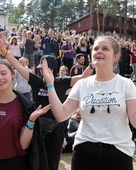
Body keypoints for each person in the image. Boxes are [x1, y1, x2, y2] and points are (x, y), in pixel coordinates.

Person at [0, 34, 94, 170]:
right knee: (36, 161)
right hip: (38, 126)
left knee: (52, 163)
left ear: (52, 69)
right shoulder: (36, 80)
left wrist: (93, 63)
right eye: (41, 68)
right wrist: (3, 50)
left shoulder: (61, 82)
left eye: (46, 68)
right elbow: (17, 65)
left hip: (56, 128)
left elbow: (83, 77)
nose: (42, 71)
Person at [42, 35, 136, 170]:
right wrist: (50, 85)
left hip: (118, 152)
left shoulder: (126, 84)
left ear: (115, 57)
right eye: (96, 48)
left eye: (105, 49)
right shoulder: (82, 85)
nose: (99, 51)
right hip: (84, 152)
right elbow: (61, 114)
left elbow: (134, 118)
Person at [0, 59, 51, 170]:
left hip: (17, 164)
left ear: (12, 74)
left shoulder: (25, 106)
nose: (0, 78)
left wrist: (31, 121)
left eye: (3, 73)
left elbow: (24, 145)